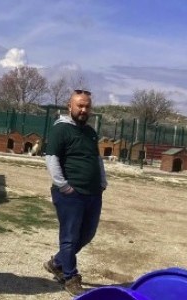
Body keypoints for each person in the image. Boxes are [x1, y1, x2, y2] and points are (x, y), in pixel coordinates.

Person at [43, 89, 107, 296]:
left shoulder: (90, 131)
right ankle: (70, 277)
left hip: (93, 193)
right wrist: (63, 185)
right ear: (69, 106)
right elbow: (51, 158)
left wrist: (102, 182)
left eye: (87, 106)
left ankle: (57, 262)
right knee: (69, 237)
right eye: (79, 105)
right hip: (71, 193)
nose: (83, 109)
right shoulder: (60, 129)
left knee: (87, 234)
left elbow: (97, 159)